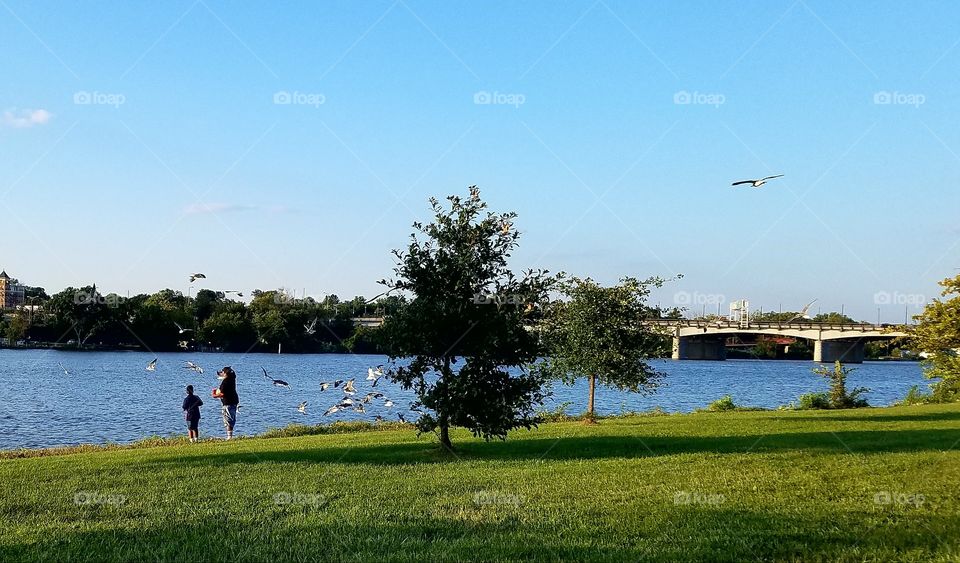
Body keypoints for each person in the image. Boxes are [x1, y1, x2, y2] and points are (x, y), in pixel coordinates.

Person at [214, 366, 240, 440]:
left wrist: (215, 395)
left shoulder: (225, 382)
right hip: (234, 401)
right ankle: (230, 436)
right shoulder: (232, 379)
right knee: (232, 418)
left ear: (225, 373)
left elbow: (222, 394)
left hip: (228, 403)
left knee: (228, 419)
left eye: (222, 372)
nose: (221, 373)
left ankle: (229, 437)